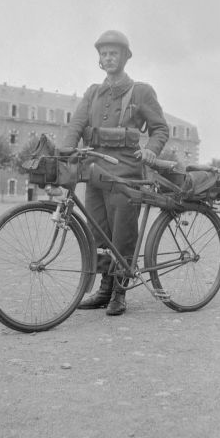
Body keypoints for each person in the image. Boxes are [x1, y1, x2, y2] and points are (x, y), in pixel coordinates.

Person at [61, 30, 169, 315]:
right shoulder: (93, 92)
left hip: (126, 172)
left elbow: (160, 129)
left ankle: (120, 291)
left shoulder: (141, 91)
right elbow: (76, 124)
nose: (108, 58)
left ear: (125, 57)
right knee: (98, 231)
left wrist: (151, 151)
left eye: (114, 53)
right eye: (104, 54)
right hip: (94, 169)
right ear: (99, 59)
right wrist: (65, 151)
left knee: (121, 232)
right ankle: (105, 288)